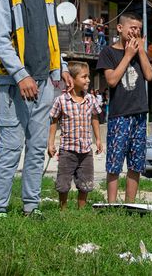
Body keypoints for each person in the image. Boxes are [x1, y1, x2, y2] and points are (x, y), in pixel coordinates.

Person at [0, 0, 73, 218]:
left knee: (37, 148)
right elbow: (2, 40)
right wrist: (21, 75)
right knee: (11, 148)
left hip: (44, 82)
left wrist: (61, 67)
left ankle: (31, 207)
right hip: (15, 84)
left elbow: (52, 37)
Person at [96, 12, 152, 204]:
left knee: (136, 162)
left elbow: (149, 76)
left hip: (139, 114)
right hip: (119, 115)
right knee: (114, 162)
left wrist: (141, 52)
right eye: (132, 28)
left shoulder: (139, 53)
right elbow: (111, 80)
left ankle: (130, 202)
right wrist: (128, 55)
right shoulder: (108, 52)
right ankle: (111, 203)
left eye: (139, 29)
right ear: (120, 28)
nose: (135, 32)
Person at [47, 62, 103, 210]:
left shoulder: (91, 99)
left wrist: (98, 139)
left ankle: (81, 211)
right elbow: (53, 121)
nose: (88, 80)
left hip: (85, 151)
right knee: (63, 184)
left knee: (85, 183)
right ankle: (63, 210)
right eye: (84, 77)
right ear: (72, 78)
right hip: (67, 151)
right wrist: (50, 143)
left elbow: (95, 118)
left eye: (88, 76)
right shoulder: (62, 100)